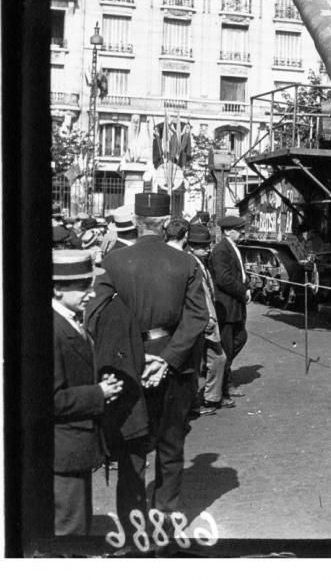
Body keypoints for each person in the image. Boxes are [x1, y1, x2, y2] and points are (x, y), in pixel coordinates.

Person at [86, 193, 208, 532]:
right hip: (176, 365)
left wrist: (135, 357)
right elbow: (198, 318)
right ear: (166, 222)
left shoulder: (113, 262)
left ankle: (132, 525)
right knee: (171, 445)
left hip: (130, 366)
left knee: (132, 449)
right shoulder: (186, 264)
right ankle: (166, 521)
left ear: (137, 221)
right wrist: (166, 359)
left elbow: (94, 316)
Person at [52, 249, 123, 536]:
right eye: (82, 286)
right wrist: (99, 393)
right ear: (57, 289)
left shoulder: (67, 320)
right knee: (70, 530)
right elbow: (51, 399)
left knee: (77, 524)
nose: (90, 294)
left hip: (73, 446)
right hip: (64, 450)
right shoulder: (53, 329)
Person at [210, 215, 250, 406]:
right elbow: (224, 279)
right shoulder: (220, 251)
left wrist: (247, 286)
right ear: (227, 231)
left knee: (240, 337)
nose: (242, 232)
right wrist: (243, 292)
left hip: (236, 305)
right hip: (227, 306)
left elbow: (240, 273)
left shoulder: (233, 248)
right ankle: (223, 390)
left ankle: (225, 377)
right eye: (238, 229)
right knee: (226, 346)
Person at [186, 223, 226, 414]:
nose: (208, 248)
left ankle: (209, 398)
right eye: (203, 246)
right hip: (202, 320)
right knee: (211, 359)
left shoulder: (200, 262)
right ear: (192, 246)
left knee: (214, 359)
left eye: (208, 245)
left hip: (205, 320)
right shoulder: (191, 264)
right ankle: (203, 400)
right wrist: (208, 317)